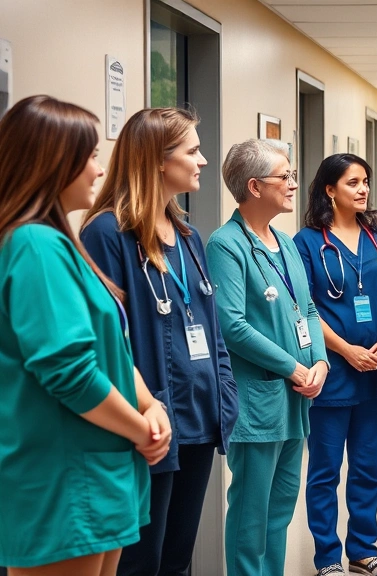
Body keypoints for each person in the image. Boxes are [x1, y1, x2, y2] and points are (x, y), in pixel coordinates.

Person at [0, 95, 169, 575]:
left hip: (99, 466)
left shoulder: (61, 243)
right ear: (55, 163)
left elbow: (109, 343)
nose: (99, 170)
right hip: (63, 474)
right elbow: (68, 369)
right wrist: (141, 430)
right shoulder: (34, 245)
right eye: (91, 156)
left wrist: (150, 405)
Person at [79, 107, 238, 576]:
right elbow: (106, 343)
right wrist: (144, 412)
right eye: (192, 151)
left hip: (199, 418)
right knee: (139, 563)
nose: (203, 161)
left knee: (177, 559)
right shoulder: (108, 233)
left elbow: (211, 328)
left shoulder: (187, 235)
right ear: (157, 161)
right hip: (148, 425)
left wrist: (224, 397)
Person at [207, 139, 329, 576]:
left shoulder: (284, 241)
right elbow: (232, 325)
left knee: (280, 509)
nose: (294, 184)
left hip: (298, 395)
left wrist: (320, 362)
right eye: (286, 177)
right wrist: (294, 366)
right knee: (251, 513)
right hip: (259, 399)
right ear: (255, 187)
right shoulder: (226, 245)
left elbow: (309, 308)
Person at [293, 154, 377, 576]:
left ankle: (363, 549)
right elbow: (303, 307)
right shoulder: (306, 243)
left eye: (366, 181)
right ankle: (327, 557)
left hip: (376, 367)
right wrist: (345, 349)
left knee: (366, 467)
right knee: (324, 471)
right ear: (330, 189)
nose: (363, 189)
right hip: (332, 371)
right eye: (353, 182)